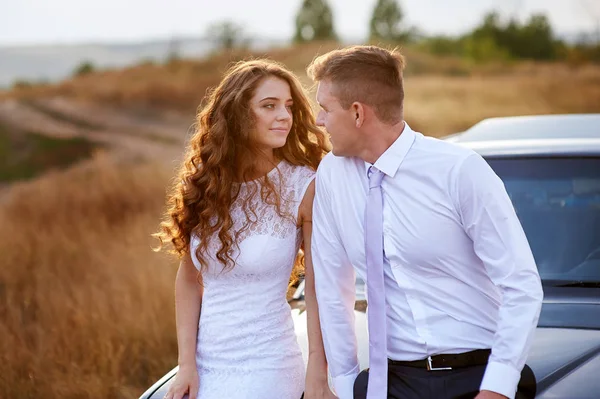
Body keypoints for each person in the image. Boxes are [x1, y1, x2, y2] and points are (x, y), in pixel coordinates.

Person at [306, 45, 544, 399]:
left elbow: (521, 285)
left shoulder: (460, 171)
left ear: (358, 114)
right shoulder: (331, 175)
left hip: (476, 377)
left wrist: (497, 388)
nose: (318, 121)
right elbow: (331, 287)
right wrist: (344, 383)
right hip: (390, 383)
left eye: (325, 109)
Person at [154, 59, 331, 399]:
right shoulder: (206, 185)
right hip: (205, 366)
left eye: (289, 107)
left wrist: (317, 373)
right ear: (236, 114)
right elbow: (190, 280)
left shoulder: (303, 186)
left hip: (269, 366)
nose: (284, 115)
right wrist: (187, 365)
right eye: (269, 105)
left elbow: (318, 287)